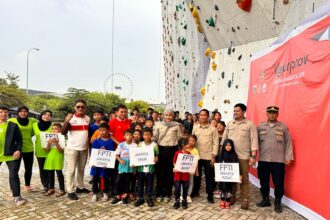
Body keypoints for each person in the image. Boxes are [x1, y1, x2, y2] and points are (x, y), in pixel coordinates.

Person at [256, 106, 294, 213]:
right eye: (270, 112)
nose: (272, 114)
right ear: (266, 114)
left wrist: (288, 157)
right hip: (263, 159)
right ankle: (265, 200)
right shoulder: (260, 126)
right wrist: (253, 156)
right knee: (263, 182)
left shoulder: (283, 127)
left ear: (278, 114)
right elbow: (255, 142)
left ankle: (277, 202)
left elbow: (288, 142)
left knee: (279, 183)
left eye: (274, 113)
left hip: (278, 161)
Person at [221, 103, 258, 210]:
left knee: (244, 179)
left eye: (237, 111)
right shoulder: (229, 124)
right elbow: (224, 140)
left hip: (243, 157)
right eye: (234, 111)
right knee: (231, 178)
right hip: (230, 157)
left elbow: (254, 141)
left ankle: (245, 199)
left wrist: (253, 156)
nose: (235, 113)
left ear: (243, 112)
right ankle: (232, 196)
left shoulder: (250, 125)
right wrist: (221, 155)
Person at [61, 99, 91, 200]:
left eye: (82, 107)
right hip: (72, 148)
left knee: (81, 169)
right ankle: (70, 190)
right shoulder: (70, 118)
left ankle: (80, 187)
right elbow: (62, 132)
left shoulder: (87, 118)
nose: (80, 108)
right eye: (78, 107)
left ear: (85, 108)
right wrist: (67, 120)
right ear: (75, 107)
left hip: (84, 148)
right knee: (71, 170)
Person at [153, 109, 182, 203]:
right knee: (160, 173)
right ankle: (159, 193)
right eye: (166, 115)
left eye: (170, 115)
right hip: (160, 150)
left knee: (169, 173)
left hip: (172, 150)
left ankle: (167, 194)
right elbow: (155, 138)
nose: (168, 117)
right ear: (163, 116)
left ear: (173, 116)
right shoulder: (158, 124)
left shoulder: (177, 125)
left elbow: (179, 138)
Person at [191, 109, 219, 203]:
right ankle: (195, 192)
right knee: (196, 175)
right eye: (201, 115)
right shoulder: (195, 128)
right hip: (197, 156)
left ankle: (210, 195)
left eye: (204, 115)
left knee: (209, 177)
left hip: (208, 156)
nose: (202, 117)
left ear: (208, 116)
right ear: (199, 116)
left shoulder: (213, 129)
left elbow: (216, 143)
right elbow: (192, 141)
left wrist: (213, 156)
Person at [8, 106, 38, 192]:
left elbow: (41, 125)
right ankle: (14, 188)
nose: (23, 113)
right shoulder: (11, 120)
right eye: (21, 111)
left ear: (28, 112)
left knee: (28, 168)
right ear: (18, 112)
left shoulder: (32, 121)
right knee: (14, 169)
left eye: (25, 111)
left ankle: (27, 185)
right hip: (16, 150)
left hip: (28, 148)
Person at [0, 106, 25, 205]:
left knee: (13, 174)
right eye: (1, 112)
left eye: (5, 112)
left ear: (8, 114)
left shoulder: (13, 125)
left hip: (11, 154)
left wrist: (18, 150)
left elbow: (19, 140)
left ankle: (17, 196)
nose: (3, 114)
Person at [90, 123, 115, 202]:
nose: (102, 132)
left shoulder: (110, 142)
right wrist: (93, 162)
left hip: (105, 165)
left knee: (105, 178)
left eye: (104, 130)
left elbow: (111, 153)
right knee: (95, 178)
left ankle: (105, 192)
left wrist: (105, 152)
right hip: (96, 164)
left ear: (107, 131)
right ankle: (94, 193)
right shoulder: (96, 141)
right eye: (100, 130)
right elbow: (93, 152)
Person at [134, 128, 159, 207]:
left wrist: (156, 159)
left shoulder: (154, 145)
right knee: (140, 183)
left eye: (148, 134)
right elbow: (136, 155)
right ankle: (140, 198)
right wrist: (135, 163)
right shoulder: (140, 144)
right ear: (142, 136)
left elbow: (157, 155)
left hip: (150, 168)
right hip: (141, 168)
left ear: (151, 135)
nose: (147, 136)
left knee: (150, 183)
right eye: (145, 135)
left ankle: (149, 198)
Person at [112, 129, 137, 204]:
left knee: (127, 181)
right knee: (119, 181)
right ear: (124, 136)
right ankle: (118, 195)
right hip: (122, 165)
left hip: (130, 166)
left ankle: (125, 196)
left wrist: (135, 168)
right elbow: (116, 155)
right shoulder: (121, 145)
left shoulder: (135, 146)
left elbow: (136, 157)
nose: (129, 136)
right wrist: (120, 160)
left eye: (130, 135)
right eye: (127, 135)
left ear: (132, 136)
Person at [32, 110, 53, 193]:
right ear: (41, 115)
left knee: (50, 169)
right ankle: (45, 185)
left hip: (51, 150)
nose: (47, 116)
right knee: (42, 169)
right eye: (45, 114)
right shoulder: (34, 125)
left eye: (49, 115)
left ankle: (51, 186)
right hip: (39, 150)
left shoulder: (53, 125)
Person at [44, 123, 65, 197]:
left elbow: (61, 151)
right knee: (50, 174)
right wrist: (49, 144)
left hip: (58, 157)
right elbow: (46, 150)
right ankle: (51, 188)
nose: (53, 130)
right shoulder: (48, 138)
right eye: (52, 129)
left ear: (60, 130)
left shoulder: (62, 138)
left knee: (59, 174)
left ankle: (62, 189)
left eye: (56, 129)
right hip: (50, 158)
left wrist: (56, 143)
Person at [218, 139, 240, 209]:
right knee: (223, 188)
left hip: (230, 177)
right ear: (224, 146)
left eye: (230, 145)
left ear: (232, 146)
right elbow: (218, 165)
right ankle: (222, 200)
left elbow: (237, 165)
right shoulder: (221, 154)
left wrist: (239, 175)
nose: (228, 147)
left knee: (229, 189)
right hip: (223, 176)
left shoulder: (234, 155)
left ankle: (227, 200)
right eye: (226, 145)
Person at [173, 138, 191, 209]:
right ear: (183, 145)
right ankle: (176, 201)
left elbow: (190, 164)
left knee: (185, 188)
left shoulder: (189, 154)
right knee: (177, 188)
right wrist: (176, 167)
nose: (189, 145)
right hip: (178, 174)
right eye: (187, 143)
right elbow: (174, 162)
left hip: (185, 174)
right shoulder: (177, 153)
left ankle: (184, 200)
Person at [185, 135, 199, 203]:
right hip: (184, 170)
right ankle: (183, 194)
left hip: (191, 169)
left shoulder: (195, 150)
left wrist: (197, 170)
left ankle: (188, 195)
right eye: (190, 140)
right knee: (184, 182)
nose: (191, 142)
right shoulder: (185, 148)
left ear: (195, 142)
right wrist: (185, 148)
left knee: (191, 182)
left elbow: (196, 161)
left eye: (193, 141)